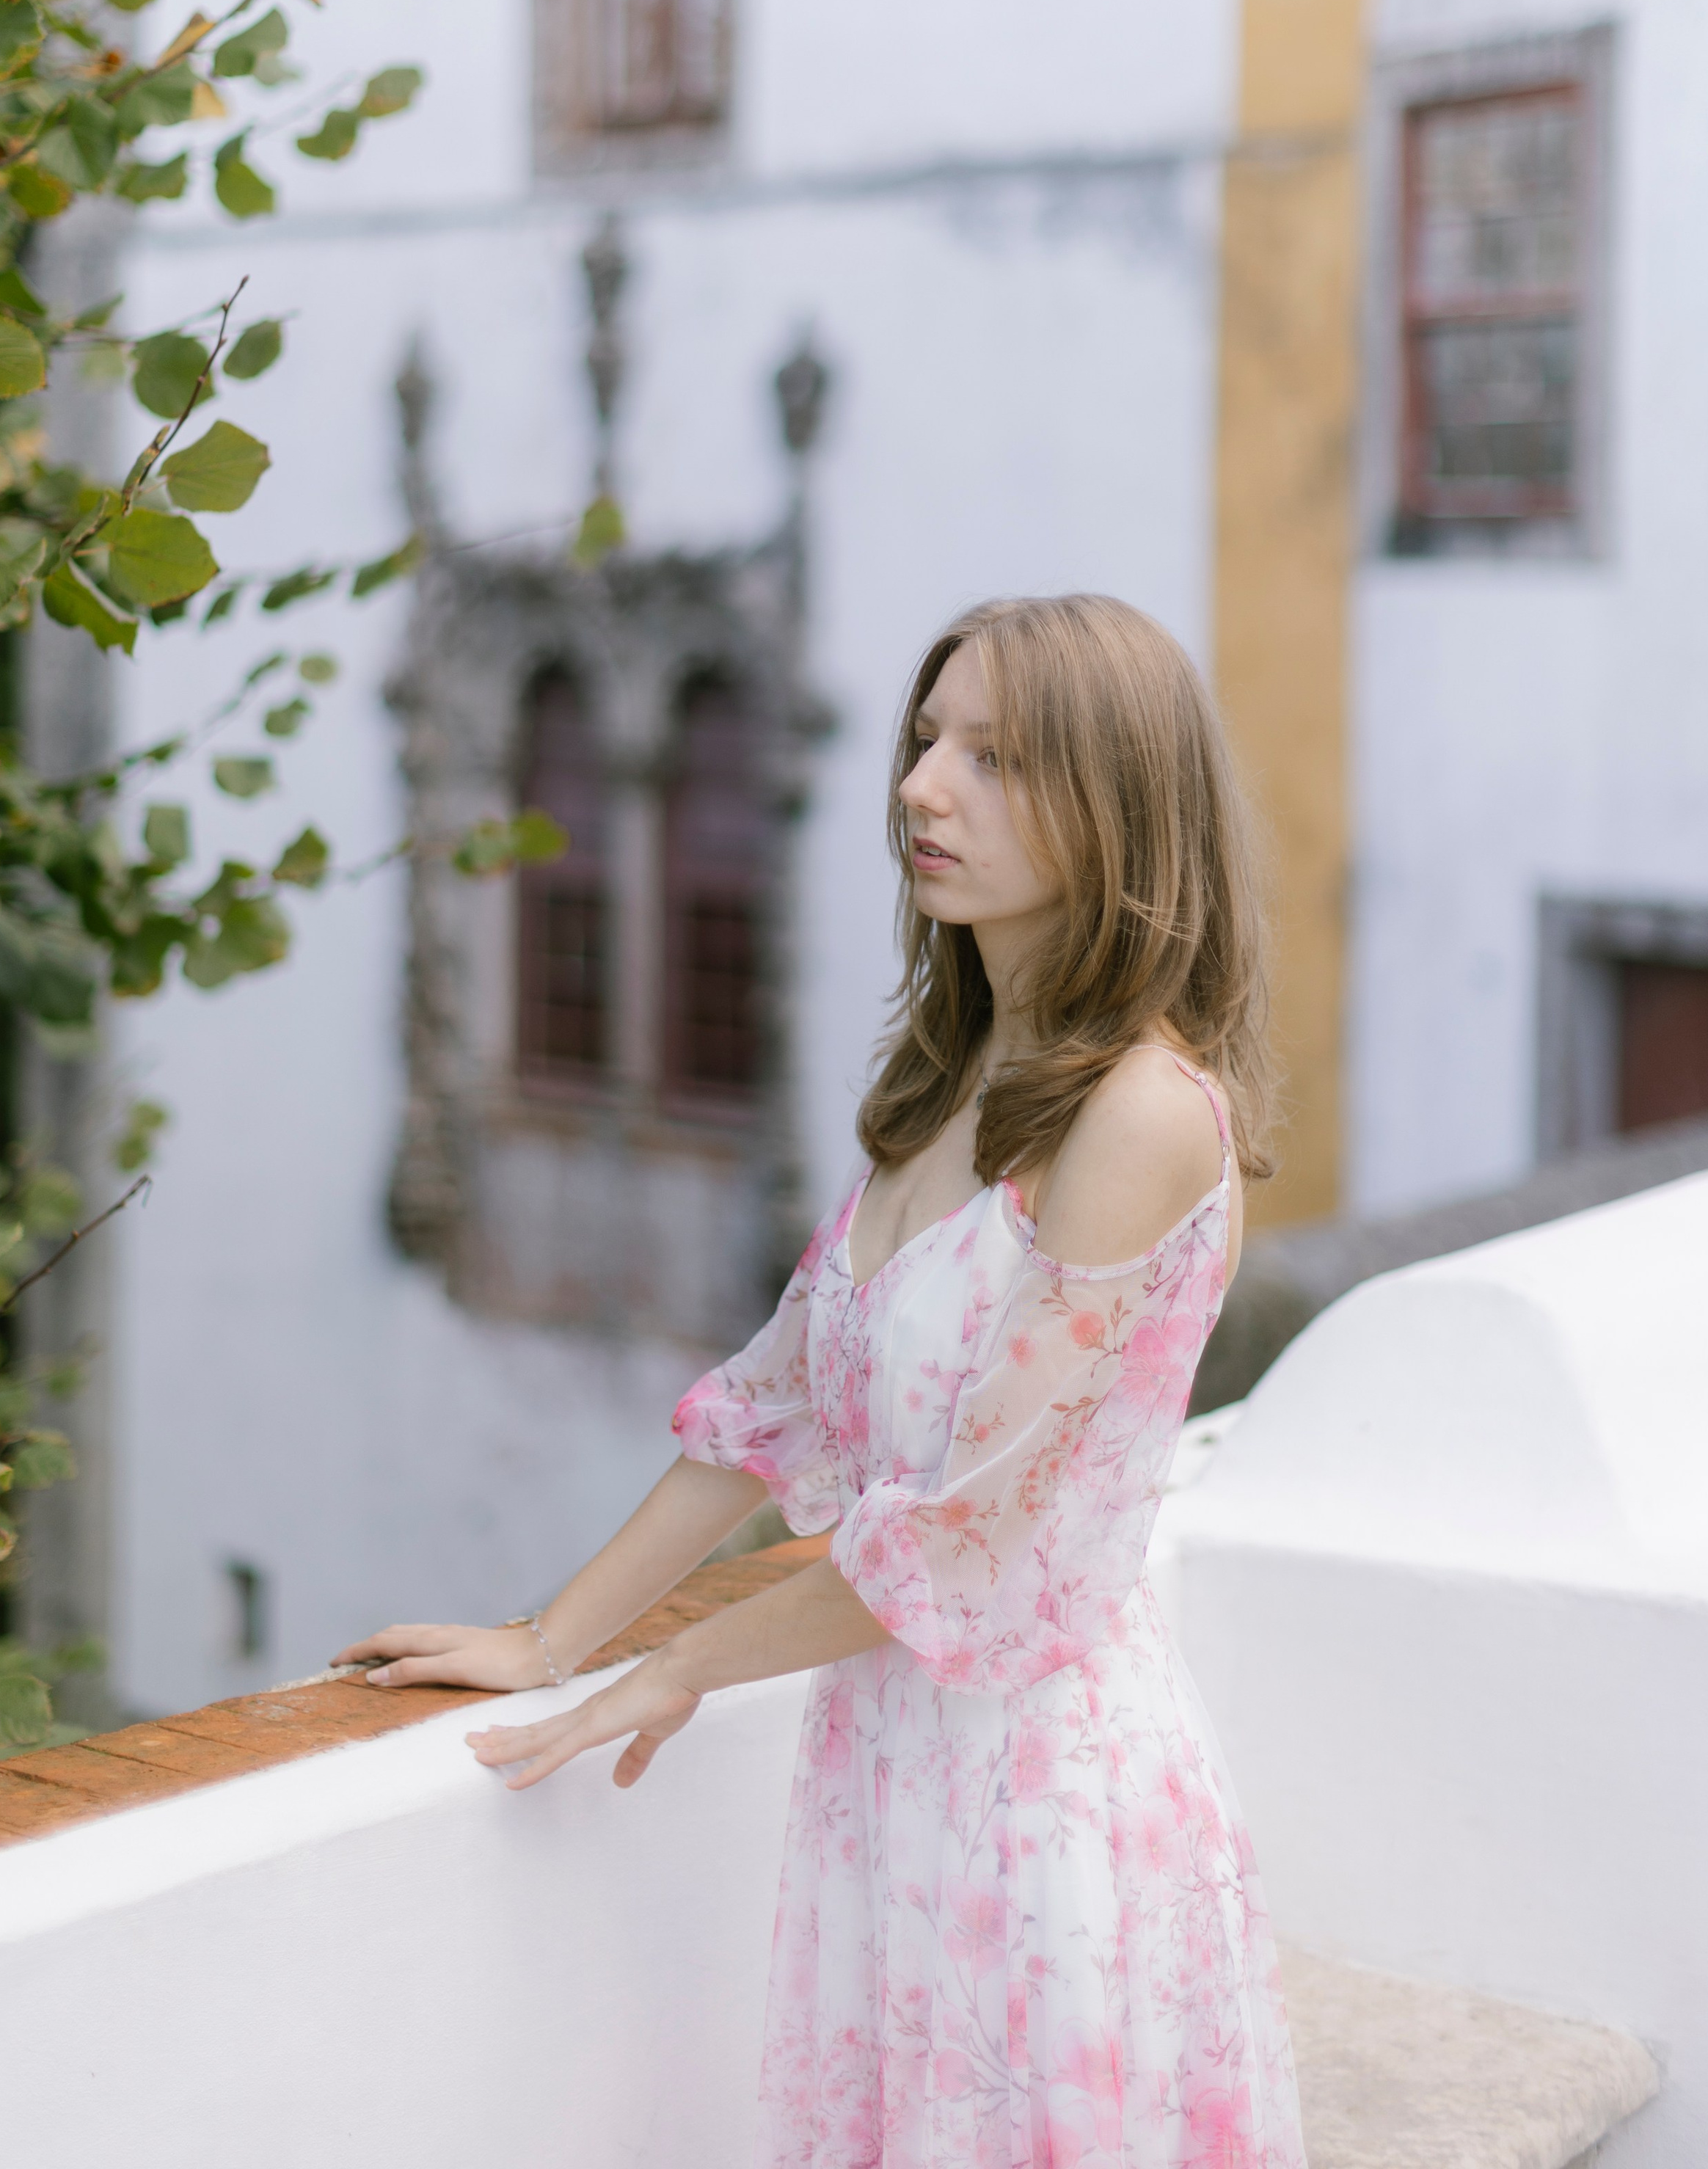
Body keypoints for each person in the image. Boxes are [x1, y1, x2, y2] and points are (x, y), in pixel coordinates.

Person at [336, 594, 1307, 2169]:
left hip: (1041, 1797)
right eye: (928, 740)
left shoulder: (1141, 1113)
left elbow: (963, 1534)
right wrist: (547, 1639)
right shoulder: (945, 1090)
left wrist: (677, 1667)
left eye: (990, 756)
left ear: (1117, 804)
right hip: (891, 1769)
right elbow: (770, 1408)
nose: (921, 787)